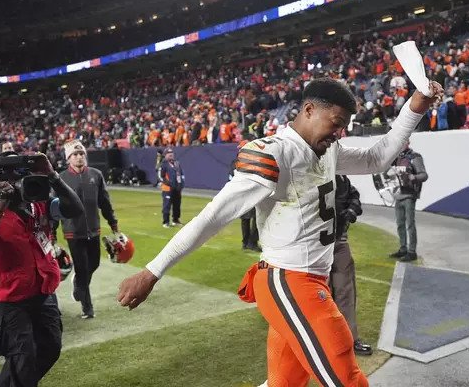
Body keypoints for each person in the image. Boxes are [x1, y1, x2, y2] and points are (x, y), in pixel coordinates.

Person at [117, 77, 442, 387]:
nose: (340, 132)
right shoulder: (275, 153)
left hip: (313, 279)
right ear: (309, 110)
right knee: (345, 376)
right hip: (290, 281)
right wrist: (152, 272)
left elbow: (377, 158)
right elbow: (213, 217)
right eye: (336, 121)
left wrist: (414, 106)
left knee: (284, 382)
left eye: (344, 125)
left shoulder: (328, 149)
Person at [0, 153, 84, 387]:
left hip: (40, 291)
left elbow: (75, 209)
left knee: (50, 348)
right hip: (3, 298)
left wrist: (53, 176)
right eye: (13, 175)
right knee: (23, 357)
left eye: (23, 173)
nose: (20, 181)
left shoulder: (38, 201)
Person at [51, 140, 118, 319]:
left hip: (94, 230)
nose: (79, 157)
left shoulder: (96, 175)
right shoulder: (61, 178)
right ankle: (87, 308)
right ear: (68, 158)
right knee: (82, 268)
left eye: (81, 154)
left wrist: (113, 223)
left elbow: (104, 201)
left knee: (93, 264)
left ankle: (78, 284)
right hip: (73, 231)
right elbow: (54, 208)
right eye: (75, 154)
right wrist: (52, 232)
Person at [331, 175, 371, 356]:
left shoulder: (340, 178)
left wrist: (352, 210)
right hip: (312, 247)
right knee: (318, 295)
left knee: (345, 291)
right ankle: (320, 340)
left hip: (337, 242)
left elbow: (354, 196)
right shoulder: (309, 172)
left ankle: (349, 339)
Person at [389, 141, 428, 262]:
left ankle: (412, 251)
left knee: (410, 224)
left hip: (410, 195)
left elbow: (424, 175)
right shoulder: (397, 158)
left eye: (403, 142)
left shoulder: (414, 157)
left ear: (408, 143)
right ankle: (403, 248)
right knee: (400, 224)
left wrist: (414, 177)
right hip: (399, 194)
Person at [229, 140, 261, 251]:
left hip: (253, 193)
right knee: (245, 219)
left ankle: (252, 242)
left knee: (256, 219)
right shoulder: (236, 162)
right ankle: (246, 242)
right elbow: (231, 178)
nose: (240, 150)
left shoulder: (255, 161)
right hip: (242, 194)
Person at [159, 148, 184, 227]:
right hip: (167, 188)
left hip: (177, 188)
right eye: (168, 153)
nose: (171, 154)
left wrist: (181, 184)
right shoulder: (163, 164)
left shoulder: (177, 163)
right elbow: (160, 176)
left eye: (171, 153)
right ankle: (165, 222)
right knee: (167, 205)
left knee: (177, 204)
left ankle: (175, 220)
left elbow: (181, 174)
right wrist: (168, 183)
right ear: (165, 155)